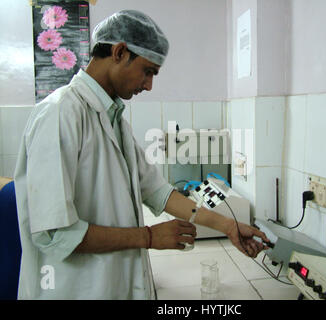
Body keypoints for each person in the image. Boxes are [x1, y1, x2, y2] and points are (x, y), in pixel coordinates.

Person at [14, 10, 269, 300]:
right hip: (72, 289)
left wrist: (228, 226)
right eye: (148, 71)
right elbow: (54, 232)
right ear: (120, 52)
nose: (149, 85)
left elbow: (159, 192)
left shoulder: (114, 120)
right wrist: (148, 237)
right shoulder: (60, 114)